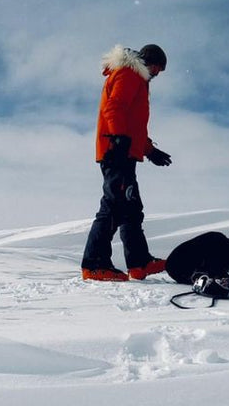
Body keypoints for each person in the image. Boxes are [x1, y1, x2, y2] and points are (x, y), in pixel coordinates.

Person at [81, 43, 173, 281]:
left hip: (124, 152)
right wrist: (119, 138)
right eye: (157, 68)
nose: (157, 74)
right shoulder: (130, 74)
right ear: (147, 61)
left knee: (131, 208)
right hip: (115, 152)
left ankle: (139, 263)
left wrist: (150, 150)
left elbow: (133, 124)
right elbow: (115, 107)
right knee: (113, 206)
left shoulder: (137, 79)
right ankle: (94, 264)